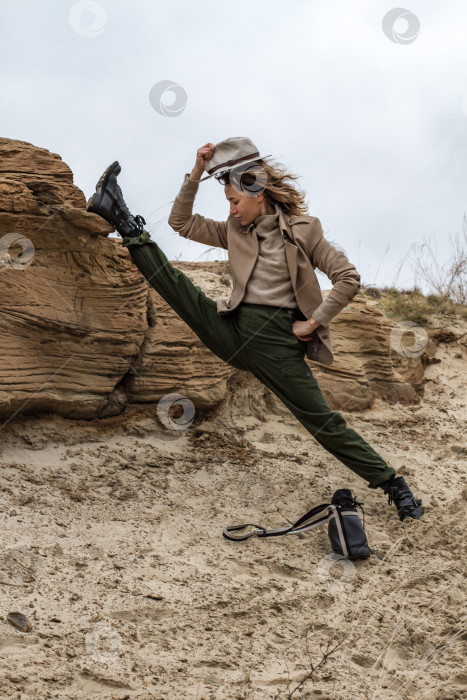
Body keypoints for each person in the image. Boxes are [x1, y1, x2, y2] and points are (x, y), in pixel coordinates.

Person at [86, 136, 423, 522]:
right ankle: (120, 215)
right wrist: (196, 172)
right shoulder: (235, 232)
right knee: (180, 290)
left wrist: (314, 321)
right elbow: (180, 223)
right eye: (227, 203)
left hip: (277, 345)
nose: (230, 212)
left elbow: (347, 278)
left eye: (234, 202)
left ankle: (392, 484)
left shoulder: (304, 230)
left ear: (257, 190)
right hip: (231, 329)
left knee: (323, 421)